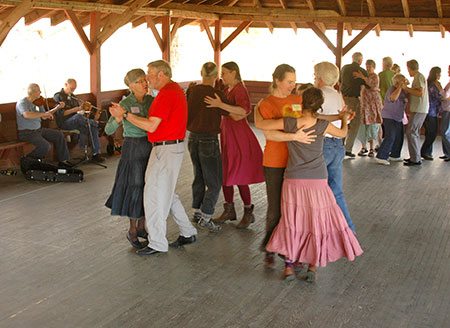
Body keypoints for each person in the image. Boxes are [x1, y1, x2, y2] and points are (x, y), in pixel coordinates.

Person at [264, 87, 362, 282]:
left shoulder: (291, 122)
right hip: (317, 180)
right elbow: (343, 134)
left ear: (302, 103)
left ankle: (289, 267)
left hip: (293, 179)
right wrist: (343, 118)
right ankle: (312, 266)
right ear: (320, 106)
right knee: (315, 221)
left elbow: (268, 132)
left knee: (292, 221)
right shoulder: (321, 126)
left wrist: (291, 136)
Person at [109, 60, 197, 255]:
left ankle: (157, 242)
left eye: (149, 74)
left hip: (165, 149)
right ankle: (188, 231)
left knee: (154, 195)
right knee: (168, 193)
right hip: (169, 147)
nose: (147, 78)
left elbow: (150, 126)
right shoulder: (174, 91)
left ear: (161, 75)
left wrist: (124, 115)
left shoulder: (166, 94)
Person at [254, 64, 316, 269]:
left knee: (294, 209)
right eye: (289, 81)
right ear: (277, 80)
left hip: (295, 161)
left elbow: (304, 122)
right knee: (275, 208)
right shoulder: (267, 103)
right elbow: (270, 134)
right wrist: (292, 135)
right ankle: (270, 246)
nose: (293, 85)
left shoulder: (297, 100)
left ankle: (290, 248)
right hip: (274, 161)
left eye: (294, 81)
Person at [204, 61, 265, 229]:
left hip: (239, 136)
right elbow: (234, 113)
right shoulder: (227, 90)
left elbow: (243, 112)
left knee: (239, 174)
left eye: (224, 72)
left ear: (233, 72)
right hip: (227, 134)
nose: (222, 75)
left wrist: (221, 106)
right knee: (225, 173)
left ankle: (248, 211)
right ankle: (229, 208)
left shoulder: (240, 90)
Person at [187, 62, 244, 232]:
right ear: (215, 76)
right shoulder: (216, 94)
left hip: (192, 138)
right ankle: (206, 215)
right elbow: (236, 114)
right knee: (214, 181)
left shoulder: (192, 90)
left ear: (201, 72)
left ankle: (197, 211)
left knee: (198, 176)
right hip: (208, 140)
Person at [105, 69, 153, 249]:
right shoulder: (125, 103)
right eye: (140, 81)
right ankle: (132, 230)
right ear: (131, 85)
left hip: (149, 146)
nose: (145, 84)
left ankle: (142, 227)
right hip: (133, 148)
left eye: (145, 80)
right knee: (135, 187)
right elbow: (109, 130)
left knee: (147, 186)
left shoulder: (151, 101)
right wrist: (117, 118)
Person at [314, 61, 356, 232]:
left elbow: (313, 118)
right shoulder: (338, 95)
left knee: (316, 190)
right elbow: (343, 117)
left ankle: (320, 228)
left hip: (322, 145)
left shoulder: (318, 94)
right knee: (336, 190)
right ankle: (348, 228)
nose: (314, 78)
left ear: (321, 78)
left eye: (315, 75)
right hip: (337, 144)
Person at [16, 83, 71, 167]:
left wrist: (57, 108)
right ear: (32, 92)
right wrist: (43, 115)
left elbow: (45, 116)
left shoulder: (38, 102)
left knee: (59, 135)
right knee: (45, 146)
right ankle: (28, 159)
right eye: (38, 90)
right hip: (26, 132)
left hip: (38, 130)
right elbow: (27, 115)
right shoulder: (22, 103)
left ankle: (63, 161)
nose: (40, 92)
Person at [54, 79, 105, 162]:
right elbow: (61, 114)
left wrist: (84, 110)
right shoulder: (58, 96)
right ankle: (96, 123)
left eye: (74, 89)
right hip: (65, 122)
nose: (73, 90)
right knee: (80, 118)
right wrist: (76, 109)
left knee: (92, 127)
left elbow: (78, 112)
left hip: (77, 121)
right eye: (71, 88)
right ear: (65, 84)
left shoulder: (73, 97)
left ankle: (96, 154)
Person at [375, 74, 409, 165]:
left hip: (398, 116)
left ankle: (395, 155)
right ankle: (381, 156)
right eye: (402, 80)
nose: (404, 82)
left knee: (399, 136)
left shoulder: (403, 90)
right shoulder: (392, 89)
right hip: (389, 116)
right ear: (397, 82)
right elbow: (393, 98)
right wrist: (400, 87)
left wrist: (405, 86)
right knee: (391, 136)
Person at [340, 52, 368, 158]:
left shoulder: (344, 68)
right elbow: (369, 85)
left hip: (343, 98)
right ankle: (347, 148)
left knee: (343, 121)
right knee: (355, 124)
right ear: (360, 60)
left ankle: (339, 145)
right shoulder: (362, 71)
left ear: (352, 58)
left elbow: (340, 82)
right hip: (354, 99)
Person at [403, 59, 429, 166]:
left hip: (419, 109)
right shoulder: (418, 77)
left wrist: (406, 88)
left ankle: (415, 159)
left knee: (411, 132)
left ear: (410, 67)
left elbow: (420, 93)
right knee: (414, 133)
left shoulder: (418, 77)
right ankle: (416, 156)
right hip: (419, 109)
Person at [354, 59, 383, 157]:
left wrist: (362, 77)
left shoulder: (375, 76)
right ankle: (363, 147)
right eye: (367, 66)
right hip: (364, 104)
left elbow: (373, 85)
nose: (367, 68)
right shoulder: (365, 76)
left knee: (372, 125)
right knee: (363, 125)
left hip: (373, 105)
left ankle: (372, 147)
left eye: (370, 66)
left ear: (374, 67)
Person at [420, 67, 442, 160]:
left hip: (434, 111)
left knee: (430, 132)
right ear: (436, 74)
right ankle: (423, 151)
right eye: (439, 73)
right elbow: (439, 96)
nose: (440, 75)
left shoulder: (434, 84)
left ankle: (427, 152)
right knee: (432, 133)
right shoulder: (432, 85)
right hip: (430, 111)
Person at [441, 65, 450, 162]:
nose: (448, 71)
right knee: (445, 131)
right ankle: (446, 152)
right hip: (445, 109)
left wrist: (445, 99)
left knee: (445, 132)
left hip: (448, 109)